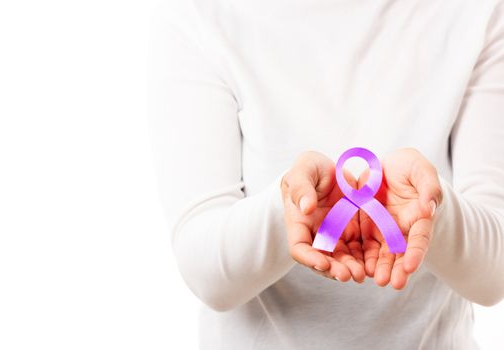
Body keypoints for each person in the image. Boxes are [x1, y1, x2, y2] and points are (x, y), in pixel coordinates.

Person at [149, 0, 504, 348]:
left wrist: (432, 211)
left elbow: (495, 273)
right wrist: (287, 210)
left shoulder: (476, 10)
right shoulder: (200, 13)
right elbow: (206, 269)